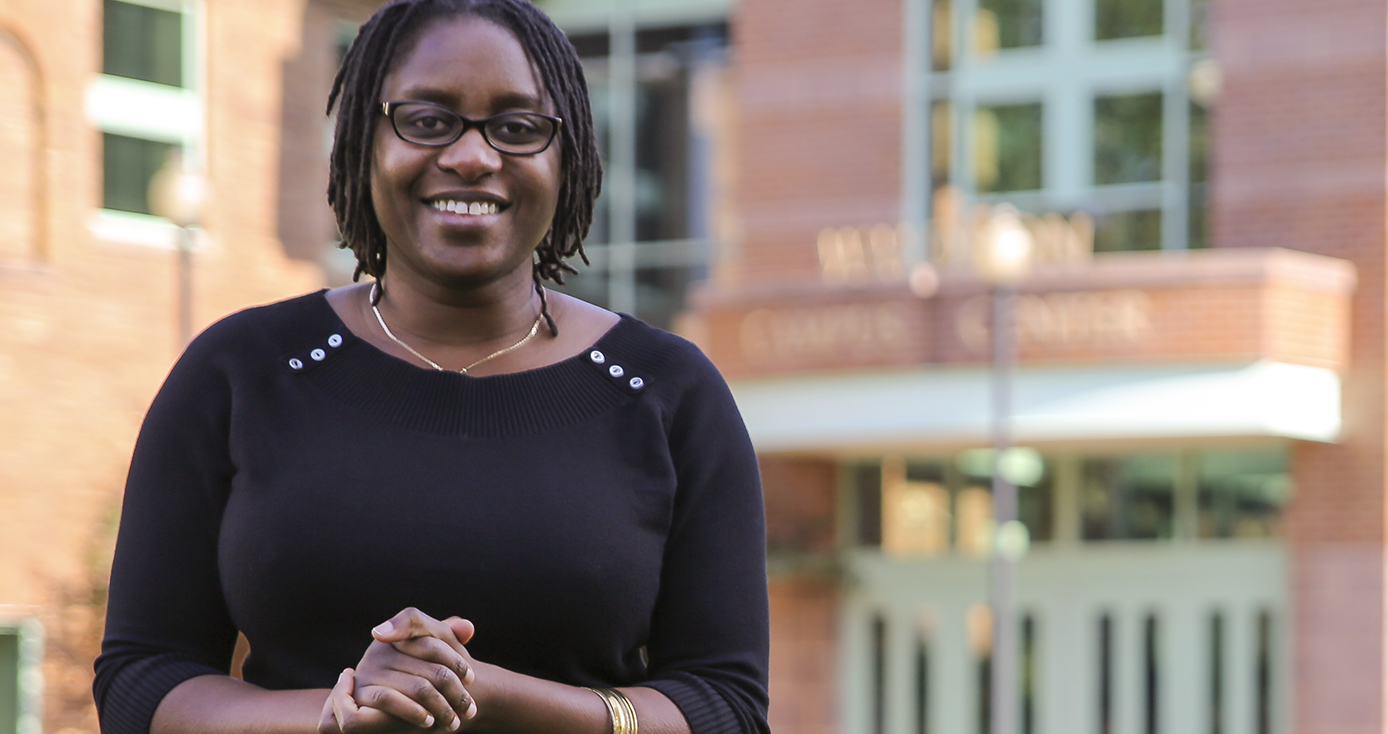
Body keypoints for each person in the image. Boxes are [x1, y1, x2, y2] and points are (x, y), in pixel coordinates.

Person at [91, 2, 770, 733]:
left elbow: (724, 706)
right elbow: (141, 682)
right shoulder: (240, 372)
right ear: (362, 141)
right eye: (427, 120)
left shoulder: (669, 393)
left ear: (565, 156)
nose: (473, 156)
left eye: (516, 127)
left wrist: (485, 694)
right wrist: (340, 714)